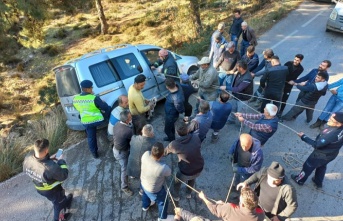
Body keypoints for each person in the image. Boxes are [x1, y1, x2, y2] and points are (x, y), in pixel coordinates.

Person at [23, 139, 73, 221]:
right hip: (52, 191)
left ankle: (65, 201)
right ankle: (58, 218)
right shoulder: (51, 167)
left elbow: (37, 164)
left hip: (39, 188)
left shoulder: (28, 158)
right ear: (46, 151)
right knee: (58, 204)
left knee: (59, 200)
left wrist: (49, 160)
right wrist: (61, 161)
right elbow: (64, 175)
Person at [291, 112, 343, 188]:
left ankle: (299, 180)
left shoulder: (331, 135)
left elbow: (317, 145)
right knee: (321, 166)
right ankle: (318, 181)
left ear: (339, 124)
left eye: (332, 120)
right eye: (330, 117)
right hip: (331, 154)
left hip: (320, 155)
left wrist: (303, 137)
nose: (328, 120)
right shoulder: (340, 128)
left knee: (307, 167)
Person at [165, 121, 204, 201]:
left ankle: (176, 196)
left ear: (176, 132)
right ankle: (188, 193)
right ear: (187, 129)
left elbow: (164, 153)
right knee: (192, 178)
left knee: (177, 182)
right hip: (199, 167)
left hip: (185, 170)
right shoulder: (196, 137)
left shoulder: (174, 144)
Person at [73, 80, 111, 158]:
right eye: (91, 88)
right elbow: (105, 107)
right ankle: (111, 127)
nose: (92, 89)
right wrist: (102, 102)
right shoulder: (94, 98)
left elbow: (79, 109)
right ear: (87, 89)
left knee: (91, 137)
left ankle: (94, 153)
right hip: (97, 120)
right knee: (109, 110)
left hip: (86, 122)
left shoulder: (75, 99)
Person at [141, 142, 173, 221]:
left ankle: (145, 206)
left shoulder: (146, 154)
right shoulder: (163, 167)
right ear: (162, 154)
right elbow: (169, 173)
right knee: (163, 202)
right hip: (154, 190)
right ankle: (162, 217)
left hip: (143, 183)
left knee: (145, 194)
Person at [228, 134, 263, 203]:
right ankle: (236, 187)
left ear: (251, 143)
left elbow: (255, 168)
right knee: (237, 178)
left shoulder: (258, 154)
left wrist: (239, 169)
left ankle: (240, 198)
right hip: (238, 164)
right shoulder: (239, 141)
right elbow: (234, 146)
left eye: (247, 146)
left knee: (244, 185)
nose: (244, 148)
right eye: (242, 145)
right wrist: (230, 153)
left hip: (247, 172)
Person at [198, 187, 265, 221]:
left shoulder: (230, 208)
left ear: (243, 205)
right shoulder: (261, 214)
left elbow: (214, 209)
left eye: (240, 200)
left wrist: (204, 198)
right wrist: (224, 205)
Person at [112, 110, 134, 196]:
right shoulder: (127, 131)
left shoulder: (117, 124)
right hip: (121, 153)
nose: (131, 118)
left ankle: (131, 173)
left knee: (128, 163)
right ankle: (124, 187)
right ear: (127, 121)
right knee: (124, 169)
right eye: (130, 117)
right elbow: (134, 139)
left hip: (116, 149)